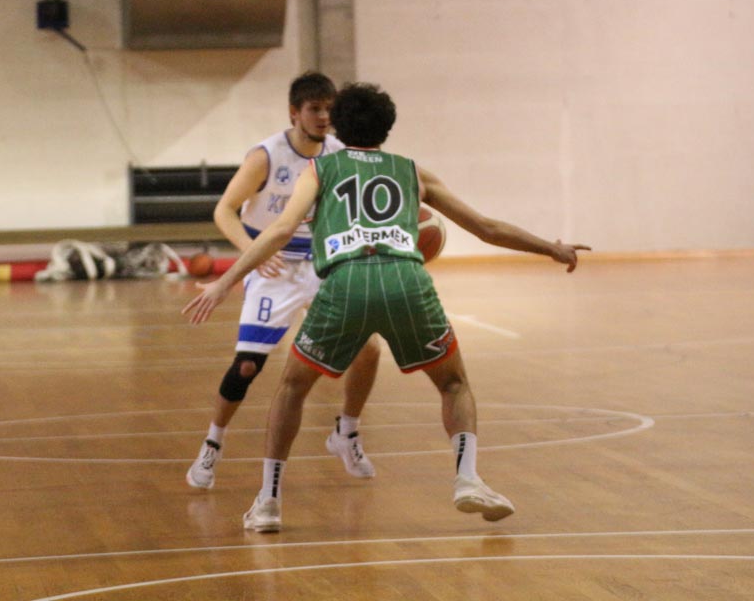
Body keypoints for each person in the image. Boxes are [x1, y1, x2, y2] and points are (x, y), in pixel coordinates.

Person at [184, 83, 591, 532]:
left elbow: (280, 230)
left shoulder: (320, 169)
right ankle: (468, 478)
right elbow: (486, 228)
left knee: (292, 388)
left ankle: (268, 502)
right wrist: (550, 248)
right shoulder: (412, 171)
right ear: (388, 127)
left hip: (346, 283)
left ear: (338, 126)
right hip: (407, 280)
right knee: (453, 383)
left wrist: (225, 282)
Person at [186, 72, 381, 490]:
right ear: (294, 112)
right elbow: (224, 209)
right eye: (314, 109)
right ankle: (212, 444)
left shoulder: (339, 154)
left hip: (321, 261)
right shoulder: (266, 156)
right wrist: (252, 251)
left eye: (329, 109)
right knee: (246, 366)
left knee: (368, 348)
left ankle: (347, 433)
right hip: (273, 264)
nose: (324, 116)